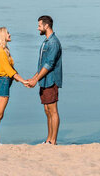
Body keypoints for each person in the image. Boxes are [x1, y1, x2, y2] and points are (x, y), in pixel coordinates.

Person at [26, 15, 62, 145]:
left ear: (46, 26)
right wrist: (34, 78)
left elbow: (49, 64)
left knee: (53, 111)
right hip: (44, 80)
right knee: (47, 110)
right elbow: (42, 64)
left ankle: (53, 141)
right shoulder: (46, 42)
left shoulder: (53, 43)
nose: (38, 28)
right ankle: (48, 139)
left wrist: (36, 80)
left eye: (39, 26)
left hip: (51, 80)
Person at [0, 27, 27, 145]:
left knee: (0, 114)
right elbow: (8, 70)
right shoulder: (0, 52)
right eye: (7, 33)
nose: (10, 34)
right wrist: (22, 81)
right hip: (3, 82)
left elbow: (12, 69)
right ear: (2, 36)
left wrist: (23, 80)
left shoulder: (4, 50)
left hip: (4, 82)